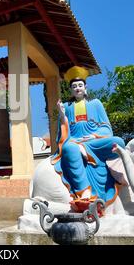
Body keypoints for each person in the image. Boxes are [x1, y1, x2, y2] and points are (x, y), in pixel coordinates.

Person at [50, 66, 125, 210]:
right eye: (74, 86)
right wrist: (62, 115)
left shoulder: (95, 104)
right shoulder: (67, 106)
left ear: (85, 87)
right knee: (69, 148)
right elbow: (63, 133)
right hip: (75, 141)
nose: (77, 88)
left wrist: (93, 135)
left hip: (94, 141)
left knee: (118, 142)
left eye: (80, 85)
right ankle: (84, 190)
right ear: (71, 90)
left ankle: (119, 177)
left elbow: (106, 128)